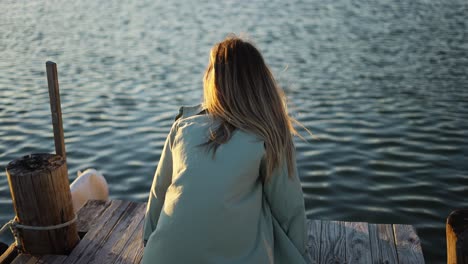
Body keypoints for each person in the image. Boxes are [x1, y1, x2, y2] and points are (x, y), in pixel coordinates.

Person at [141, 35, 309, 264]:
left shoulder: (182, 126)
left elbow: (158, 194)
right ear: (259, 83)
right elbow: (289, 209)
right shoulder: (266, 135)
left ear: (213, 81)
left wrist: (148, 242)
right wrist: (300, 256)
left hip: (160, 257)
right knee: (264, 211)